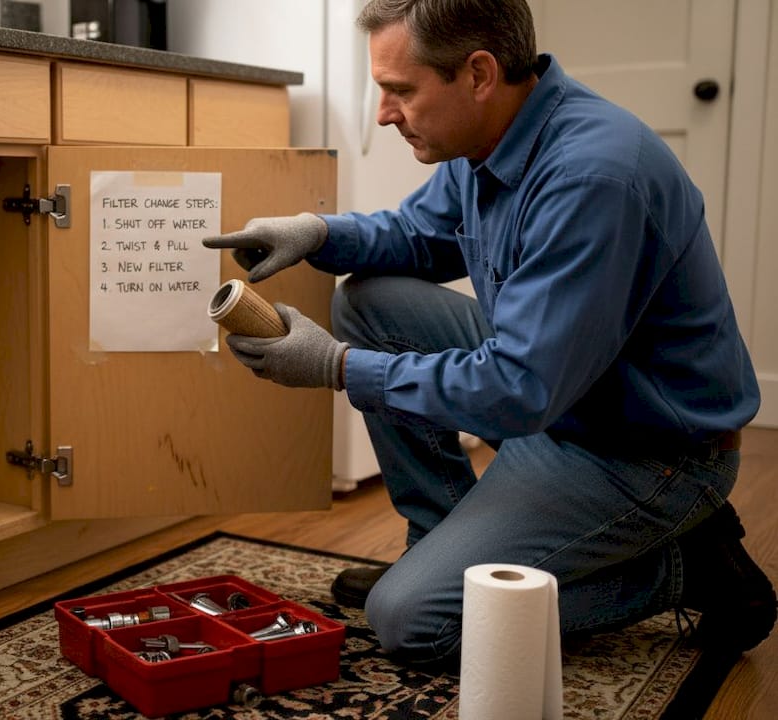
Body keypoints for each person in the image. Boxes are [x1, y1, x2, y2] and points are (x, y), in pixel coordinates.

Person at [203, 0, 775, 667]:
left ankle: (683, 569)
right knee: (371, 302)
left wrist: (336, 367)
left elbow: (518, 389)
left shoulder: (591, 176)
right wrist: (321, 233)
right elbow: (418, 235)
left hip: (645, 449)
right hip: (569, 395)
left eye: (400, 91)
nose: (384, 113)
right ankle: (443, 543)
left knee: (412, 622)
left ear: (477, 73)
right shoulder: (490, 138)